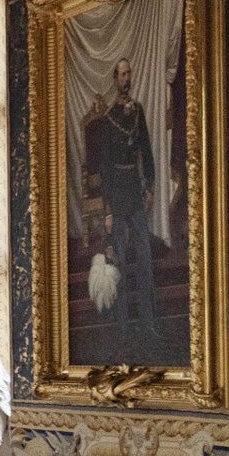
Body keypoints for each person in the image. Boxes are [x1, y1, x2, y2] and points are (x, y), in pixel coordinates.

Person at [85, 57, 158, 345]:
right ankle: (124, 325)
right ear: (115, 79)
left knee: (145, 258)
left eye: (128, 73)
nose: (125, 78)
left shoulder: (137, 111)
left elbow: (147, 151)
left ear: (131, 77)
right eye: (121, 74)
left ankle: (149, 322)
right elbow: (104, 166)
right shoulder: (108, 118)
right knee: (122, 260)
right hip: (116, 194)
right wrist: (107, 209)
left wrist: (149, 186)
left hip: (135, 195)